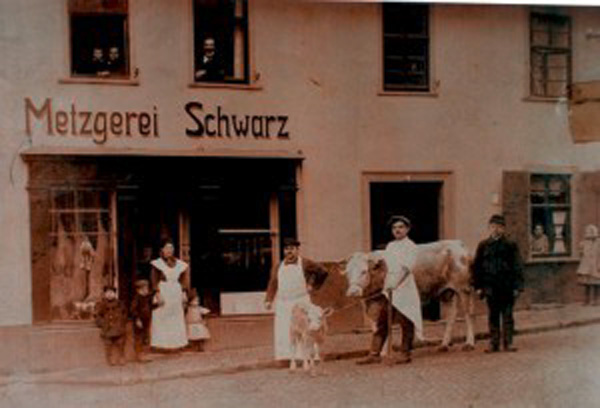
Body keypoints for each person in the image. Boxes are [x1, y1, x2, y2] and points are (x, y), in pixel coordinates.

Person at [357, 215, 423, 365]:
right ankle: (374, 354)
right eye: (394, 228)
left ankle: (405, 353)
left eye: (400, 227)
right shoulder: (391, 246)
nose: (397, 230)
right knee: (382, 320)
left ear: (407, 229)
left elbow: (407, 269)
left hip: (404, 287)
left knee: (406, 320)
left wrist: (396, 283)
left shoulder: (411, 246)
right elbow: (384, 264)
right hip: (389, 288)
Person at [264, 238, 328, 363]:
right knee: (283, 329)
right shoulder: (278, 266)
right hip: (283, 303)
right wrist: (268, 300)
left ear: (297, 250)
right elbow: (273, 283)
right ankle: (285, 357)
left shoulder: (305, 263)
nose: (289, 252)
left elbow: (323, 271)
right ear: (283, 251)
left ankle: (304, 356)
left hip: (301, 301)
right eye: (287, 249)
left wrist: (313, 285)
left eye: (292, 249)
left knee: (304, 328)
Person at [473, 214, 524, 353]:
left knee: (508, 315)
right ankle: (493, 343)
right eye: (493, 226)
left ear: (504, 229)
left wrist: (517, 287)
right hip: (490, 287)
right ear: (489, 228)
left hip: (507, 286)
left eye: (500, 227)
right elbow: (477, 267)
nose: (496, 229)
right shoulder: (483, 245)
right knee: (493, 315)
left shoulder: (510, 245)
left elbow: (517, 266)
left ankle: (508, 343)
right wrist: (478, 286)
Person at [150, 239, 190, 351]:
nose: (169, 250)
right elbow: (154, 280)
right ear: (162, 249)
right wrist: (157, 294)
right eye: (167, 248)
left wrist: (183, 293)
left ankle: (175, 345)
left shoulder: (180, 264)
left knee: (175, 318)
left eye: (171, 248)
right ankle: (162, 345)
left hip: (175, 292)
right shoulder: (157, 264)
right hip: (163, 290)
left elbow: (183, 280)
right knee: (162, 317)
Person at [95, 285, 128, 366]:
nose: (109, 294)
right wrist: (102, 324)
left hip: (118, 327)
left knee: (120, 343)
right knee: (108, 344)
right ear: (105, 294)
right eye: (107, 293)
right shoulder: (101, 304)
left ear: (115, 294)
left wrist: (122, 321)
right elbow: (98, 316)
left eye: (112, 292)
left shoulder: (120, 303)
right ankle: (110, 358)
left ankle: (121, 357)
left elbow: (125, 313)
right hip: (107, 328)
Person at [130, 279, 155, 362]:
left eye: (147, 289)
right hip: (139, 322)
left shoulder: (146, 298)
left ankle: (145, 354)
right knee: (138, 338)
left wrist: (157, 305)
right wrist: (137, 319)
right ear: (138, 290)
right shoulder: (137, 298)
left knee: (145, 338)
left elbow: (150, 307)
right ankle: (139, 355)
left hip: (146, 321)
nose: (146, 291)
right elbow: (133, 310)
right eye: (144, 289)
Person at [576, 224, 600, 305]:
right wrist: (581, 250)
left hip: (596, 265)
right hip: (587, 265)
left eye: (591, 232)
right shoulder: (584, 243)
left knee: (597, 283)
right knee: (587, 284)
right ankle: (587, 300)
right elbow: (581, 254)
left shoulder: (599, 243)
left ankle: (597, 300)